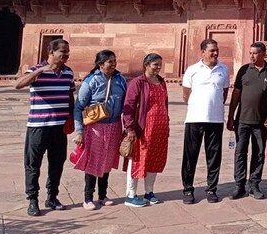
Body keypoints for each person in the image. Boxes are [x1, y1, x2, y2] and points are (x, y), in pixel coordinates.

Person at [16, 39, 75, 216]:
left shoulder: (68, 72)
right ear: (51, 52)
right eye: (63, 52)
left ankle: (52, 197)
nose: (66, 54)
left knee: (57, 163)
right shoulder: (36, 70)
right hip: (38, 126)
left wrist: (70, 117)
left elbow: (69, 96)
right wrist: (41, 71)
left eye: (67, 51)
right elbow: (18, 84)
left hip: (59, 126)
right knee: (33, 164)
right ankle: (32, 200)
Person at [72, 50, 128, 210]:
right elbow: (79, 106)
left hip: (114, 125)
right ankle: (88, 197)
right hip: (95, 127)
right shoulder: (91, 81)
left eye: (114, 61)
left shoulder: (120, 79)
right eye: (110, 61)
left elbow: (126, 104)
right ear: (100, 63)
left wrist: (127, 126)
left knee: (107, 160)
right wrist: (79, 131)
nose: (113, 64)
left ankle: (102, 195)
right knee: (93, 161)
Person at [227, 42, 267, 200]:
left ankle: (254, 184)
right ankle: (239, 185)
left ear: (263, 54)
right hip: (242, 119)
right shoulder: (244, 70)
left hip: (261, 121)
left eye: (255, 53)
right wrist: (231, 116)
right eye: (250, 53)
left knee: (258, 153)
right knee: (240, 153)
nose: (252, 56)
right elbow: (236, 95)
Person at [181, 39, 230, 204]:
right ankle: (188, 190)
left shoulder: (223, 69)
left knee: (214, 157)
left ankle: (212, 189)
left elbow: (224, 93)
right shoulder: (192, 70)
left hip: (215, 119)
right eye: (211, 51)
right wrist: (199, 107)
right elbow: (186, 94)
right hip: (195, 118)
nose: (215, 53)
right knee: (190, 156)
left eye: (217, 50)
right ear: (202, 51)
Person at [122, 53, 170, 207]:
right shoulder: (138, 83)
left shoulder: (161, 82)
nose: (158, 67)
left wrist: (167, 123)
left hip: (159, 128)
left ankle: (149, 191)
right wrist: (130, 128)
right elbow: (128, 106)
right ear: (146, 65)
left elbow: (165, 104)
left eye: (160, 65)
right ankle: (131, 194)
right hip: (143, 128)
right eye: (155, 64)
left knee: (154, 160)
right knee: (137, 160)